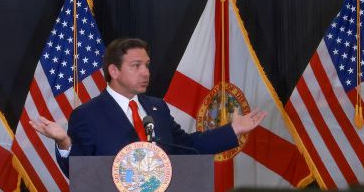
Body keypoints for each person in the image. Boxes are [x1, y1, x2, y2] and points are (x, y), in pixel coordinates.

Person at [29, 37, 266, 173]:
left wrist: (232, 130)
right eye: (135, 66)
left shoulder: (157, 108)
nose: (145, 73)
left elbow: (187, 147)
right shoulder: (87, 115)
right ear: (114, 71)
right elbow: (77, 171)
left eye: (147, 65)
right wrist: (64, 142)